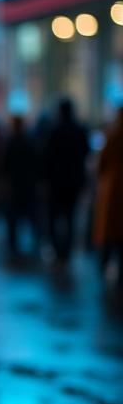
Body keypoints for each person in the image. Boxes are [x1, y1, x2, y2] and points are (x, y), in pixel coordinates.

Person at [43, 97, 90, 263]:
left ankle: (58, 250)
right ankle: (66, 251)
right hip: (73, 182)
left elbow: (47, 158)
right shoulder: (80, 130)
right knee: (70, 217)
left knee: (55, 218)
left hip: (57, 182)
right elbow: (85, 154)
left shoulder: (54, 131)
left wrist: (45, 180)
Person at [0, 114, 39, 257]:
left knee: (13, 218)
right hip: (26, 185)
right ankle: (33, 245)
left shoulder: (9, 143)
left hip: (14, 186)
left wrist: (3, 184)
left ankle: (13, 246)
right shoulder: (29, 142)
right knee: (29, 217)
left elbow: (3, 166)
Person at [93, 107, 123, 288]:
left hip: (112, 192)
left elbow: (101, 164)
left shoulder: (112, 137)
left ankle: (105, 267)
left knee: (109, 233)